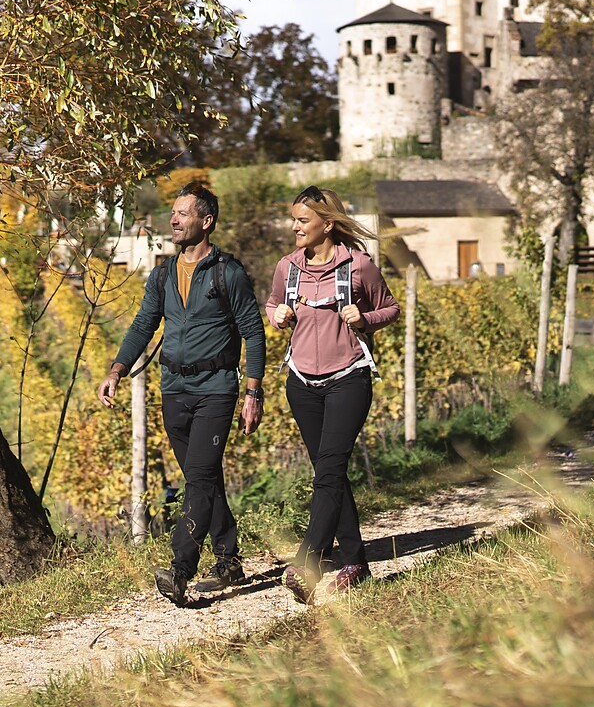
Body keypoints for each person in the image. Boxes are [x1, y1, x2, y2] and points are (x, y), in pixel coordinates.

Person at [99, 184, 266, 607]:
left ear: (205, 222)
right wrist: (118, 369)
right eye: (172, 213)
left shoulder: (229, 273)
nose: (173, 220)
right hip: (173, 388)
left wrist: (253, 391)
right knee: (202, 476)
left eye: (182, 214)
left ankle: (180, 570)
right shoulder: (162, 274)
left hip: (216, 389)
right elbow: (142, 325)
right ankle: (228, 559)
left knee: (199, 477)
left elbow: (253, 332)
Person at [266, 185, 398, 603]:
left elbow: (390, 308)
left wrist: (364, 319)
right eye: (294, 220)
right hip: (301, 382)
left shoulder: (359, 266)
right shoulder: (286, 268)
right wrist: (278, 316)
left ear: (327, 223)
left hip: (349, 378)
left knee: (329, 469)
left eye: (302, 220)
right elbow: (271, 306)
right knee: (329, 472)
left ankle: (309, 559)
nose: (294, 227)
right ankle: (355, 561)